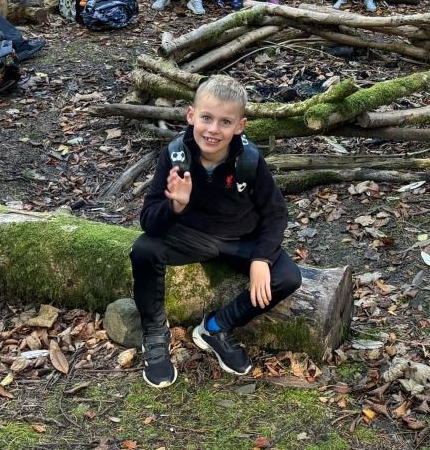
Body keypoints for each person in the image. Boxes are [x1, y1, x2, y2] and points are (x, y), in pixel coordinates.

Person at [129, 75, 302, 388]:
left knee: (288, 278)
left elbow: (275, 213)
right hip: (195, 239)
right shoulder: (175, 157)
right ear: (191, 115)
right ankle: (154, 333)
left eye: (225, 122)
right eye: (206, 118)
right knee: (144, 249)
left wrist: (262, 258)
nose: (213, 130)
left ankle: (215, 326)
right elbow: (148, 220)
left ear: (240, 125)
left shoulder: (249, 161)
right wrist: (176, 207)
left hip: (241, 242)